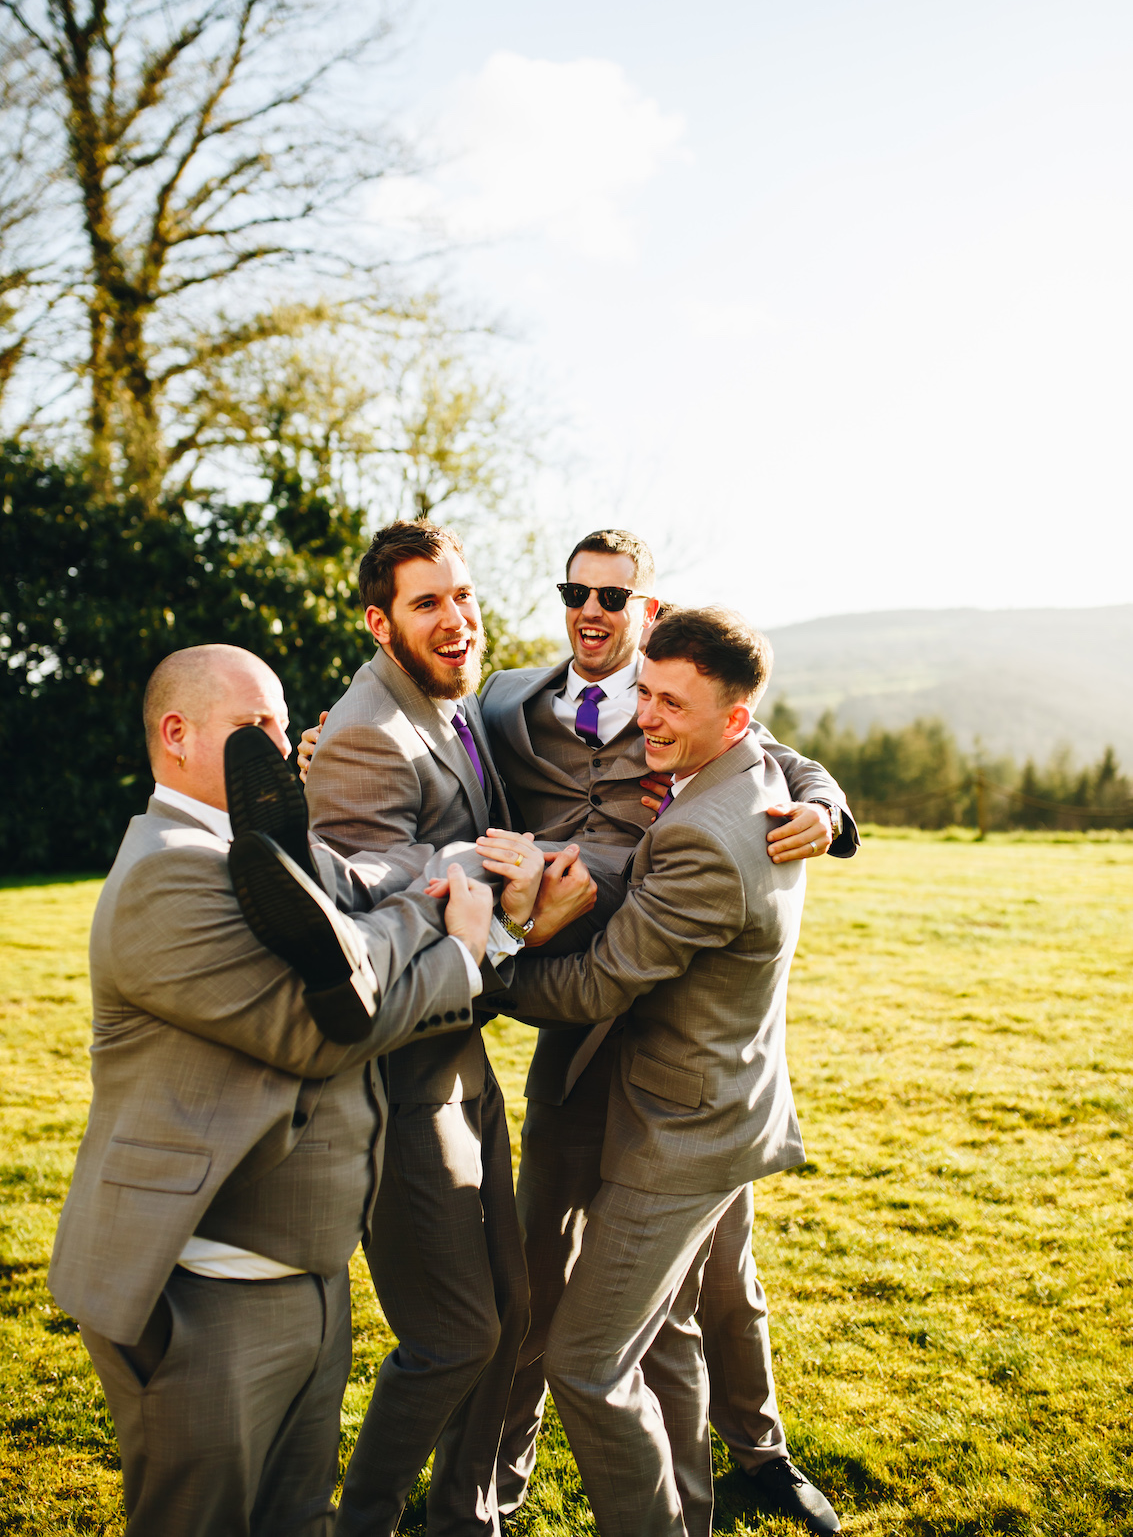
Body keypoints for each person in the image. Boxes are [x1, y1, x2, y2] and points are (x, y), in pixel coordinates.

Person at [49, 643, 494, 1537]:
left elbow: (358, 883)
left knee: (297, 1521)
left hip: (310, 1280)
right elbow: (328, 1030)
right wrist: (457, 946)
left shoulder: (262, 849)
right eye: (251, 727)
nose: (278, 746)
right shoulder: (169, 871)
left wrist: (445, 867)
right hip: (204, 1293)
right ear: (176, 735)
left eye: (283, 727)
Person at [477, 529, 854, 1531]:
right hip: (604, 1059)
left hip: (666, 1069)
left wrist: (828, 805)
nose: (589, 606)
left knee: (679, 1312)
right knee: (540, 1281)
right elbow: (427, 734)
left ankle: (747, 1462)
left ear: (644, 609)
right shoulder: (510, 704)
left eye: (613, 592)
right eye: (573, 589)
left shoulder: (724, 790)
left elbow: (780, 760)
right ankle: (493, 1492)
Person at [301, 521, 584, 1537]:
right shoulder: (365, 732)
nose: (456, 617)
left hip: (461, 1056)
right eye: (427, 603)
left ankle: (464, 1520)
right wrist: (501, 875)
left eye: (461, 594)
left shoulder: (464, 699)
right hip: (396, 1078)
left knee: (507, 1315)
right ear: (380, 621)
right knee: (454, 1332)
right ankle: (365, 1518)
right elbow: (371, 914)